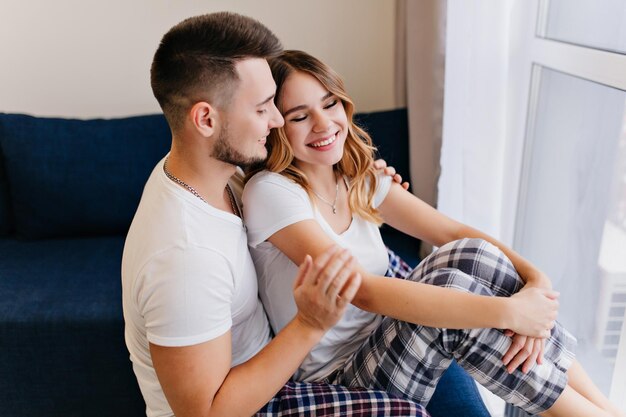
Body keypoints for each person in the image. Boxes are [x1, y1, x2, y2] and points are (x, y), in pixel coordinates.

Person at [122, 12, 489, 417]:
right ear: (205, 119)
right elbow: (206, 414)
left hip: (273, 373)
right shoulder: (186, 260)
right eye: (263, 109)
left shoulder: (214, 169)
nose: (277, 121)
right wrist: (310, 324)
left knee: (460, 272)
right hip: (249, 403)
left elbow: (301, 183)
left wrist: (357, 178)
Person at [242, 49, 625, 417]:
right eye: (299, 116)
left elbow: (452, 231)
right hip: (340, 380)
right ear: (276, 126)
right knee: (452, 298)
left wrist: (535, 283)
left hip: (386, 342)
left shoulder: (358, 176)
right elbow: (363, 291)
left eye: (329, 104)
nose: (324, 124)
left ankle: (604, 409)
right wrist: (509, 311)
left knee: (472, 255)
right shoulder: (272, 192)